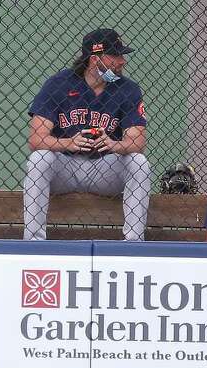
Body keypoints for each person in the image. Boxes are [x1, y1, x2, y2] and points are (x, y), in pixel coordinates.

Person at [23, 28, 151, 241]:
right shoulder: (59, 84)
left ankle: (133, 243)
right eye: (115, 56)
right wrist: (68, 142)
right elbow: (36, 139)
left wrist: (113, 144)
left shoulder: (128, 89)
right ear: (94, 60)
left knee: (139, 163)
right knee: (39, 158)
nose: (122, 61)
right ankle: (33, 242)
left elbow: (138, 142)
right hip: (66, 167)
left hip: (105, 169)